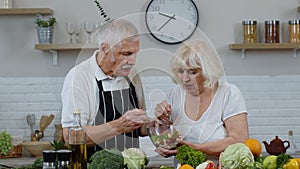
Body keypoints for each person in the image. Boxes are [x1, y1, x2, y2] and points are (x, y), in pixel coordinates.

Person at [61, 19, 148, 160]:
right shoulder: (79, 77)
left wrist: (154, 126)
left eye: (135, 53)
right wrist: (119, 126)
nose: (133, 61)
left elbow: (140, 127)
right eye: (126, 54)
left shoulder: (132, 75)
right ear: (104, 49)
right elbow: (71, 136)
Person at [154, 39, 249, 165]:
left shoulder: (228, 93)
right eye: (181, 71)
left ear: (207, 71)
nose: (185, 79)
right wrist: (161, 128)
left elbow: (239, 141)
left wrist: (196, 148)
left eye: (192, 72)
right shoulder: (176, 93)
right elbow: (167, 135)